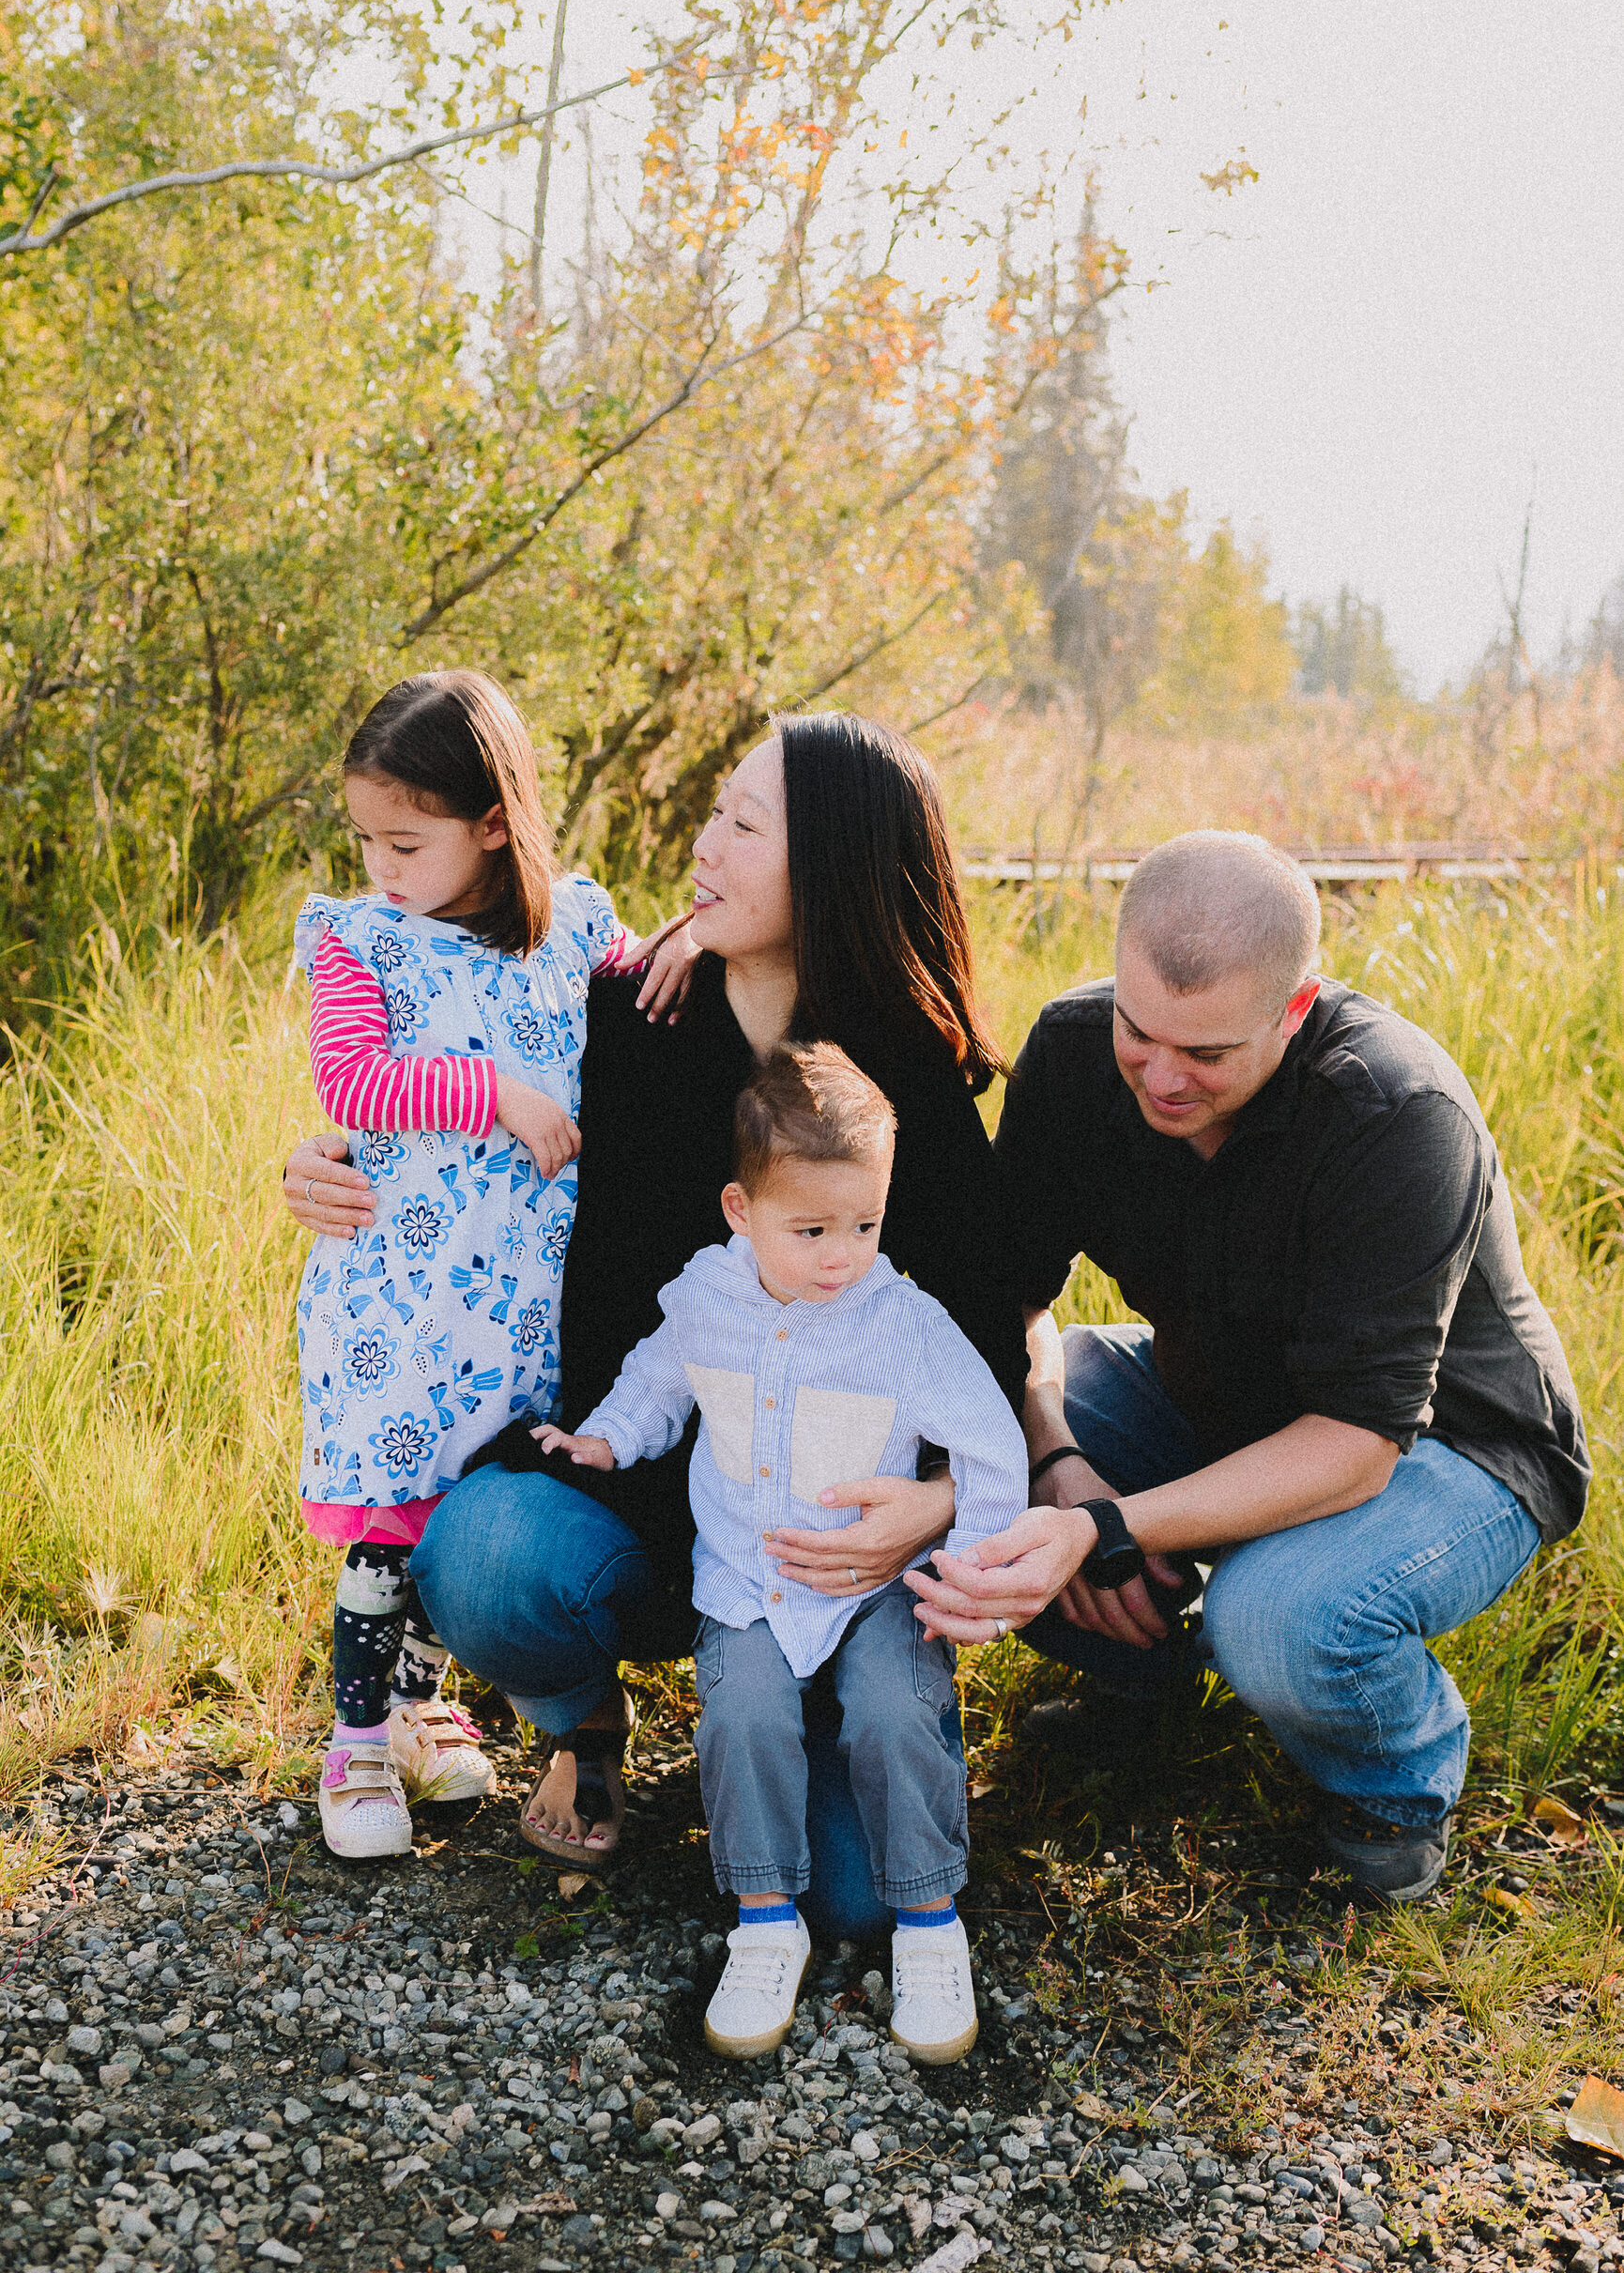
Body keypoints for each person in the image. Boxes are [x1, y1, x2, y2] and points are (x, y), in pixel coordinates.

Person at [281, 713, 1028, 1915]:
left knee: (848, 1901)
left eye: (743, 824)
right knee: (485, 1554)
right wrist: (330, 1164)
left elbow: (986, 1336)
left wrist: (939, 1502)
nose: (703, 843)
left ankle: (834, 1720)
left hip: (823, 1544)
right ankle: (585, 1731)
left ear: (831, 862)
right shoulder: (631, 1015)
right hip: (639, 1488)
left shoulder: (901, 1080)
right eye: (713, 812)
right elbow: (467, 1097)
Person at [905, 829, 1589, 1903]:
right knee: (957, 1450)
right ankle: (1144, 1673)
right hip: (1205, 1392)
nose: (1163, 1077)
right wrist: (1055, 1460)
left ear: (1295, 1007)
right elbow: (1008, 1300)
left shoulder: (1396, 1116)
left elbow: (1356, 1447)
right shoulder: (1076, 1052)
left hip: (1449, 1451)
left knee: (1273, 1617)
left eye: (1208, 1055)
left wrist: (1106, 1527)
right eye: (1141, 1033)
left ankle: (1392, 1781)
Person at [535, 1043, 1028, 2060]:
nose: (840, 1254)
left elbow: (988, 1441)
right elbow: (658, 1378)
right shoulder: (704, 1298)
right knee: (744, 1718)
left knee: (897, 1714)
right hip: (747, 1581)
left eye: (863, 1224)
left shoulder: (902, 1323)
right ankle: (765, 1920)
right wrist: (609, 1436)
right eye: (808, 1230)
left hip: (875, 1588)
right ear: (738, 1211)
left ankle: (931, 1924)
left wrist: (970, 1568)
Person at [289, 669, 693, 1860]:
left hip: (515, 1316)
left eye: (406, 842)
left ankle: (418, 1712)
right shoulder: (364, 940)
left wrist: (688, 941)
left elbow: (641, 997)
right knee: (389, 1527)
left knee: (461, 1515)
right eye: (365, 840)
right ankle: (355, 1747)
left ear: (495, 823)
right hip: (400, 1300)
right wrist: (497, 1093)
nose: (382, 867)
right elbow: (352, 1084)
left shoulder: (572, 928)